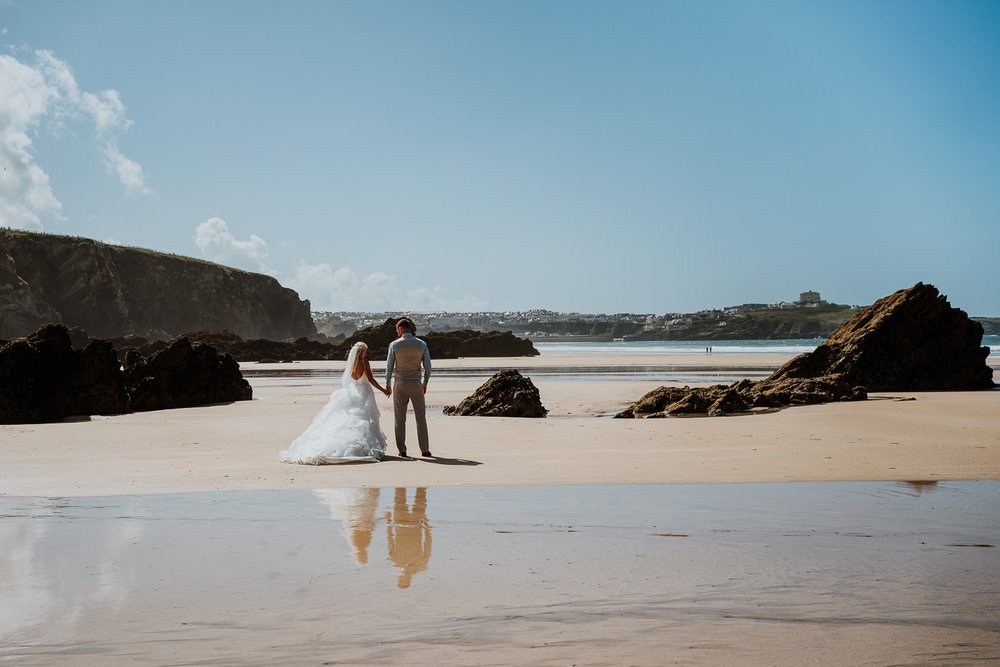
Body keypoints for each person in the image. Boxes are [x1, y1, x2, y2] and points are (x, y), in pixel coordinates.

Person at [279, 341, 390, 464]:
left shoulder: (351, 364)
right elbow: (371, 380)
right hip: (364, 392)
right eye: (365, 351)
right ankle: (364, 447)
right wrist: (384, 390)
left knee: (348, 417)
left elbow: (349, 380)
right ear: (361, 352)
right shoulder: (364, 362)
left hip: (352, 391)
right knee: (364, 418)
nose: (366, 353)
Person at [385, 317, 432, 457]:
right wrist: (425, 382)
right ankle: (425, 449)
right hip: (416, 383)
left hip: (400, 384)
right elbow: (428, 367)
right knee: (420, 417)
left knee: (399, 418)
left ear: (400, 329)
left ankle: (402, 450)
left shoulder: (394, 345)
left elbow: (389, 367)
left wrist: (387, 384)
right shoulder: (422, 344)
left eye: (396, 330)